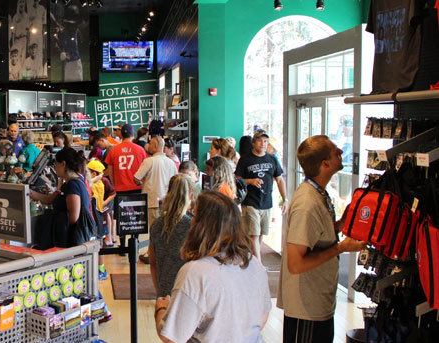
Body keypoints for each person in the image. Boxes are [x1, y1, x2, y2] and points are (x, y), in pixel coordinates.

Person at [278, 135, 367, 343]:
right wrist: (341, 248)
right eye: (336, 151)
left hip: (318, 301)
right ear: (325, 163)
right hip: (306, 307)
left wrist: (340, 225)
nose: (342, 153)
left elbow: (316, 236)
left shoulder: (318, 194)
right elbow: (296, 263)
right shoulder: (307, 205)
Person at [154, 191, 270, 343]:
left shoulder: (195, 273)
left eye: (194, 215)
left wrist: (160, 309)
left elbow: (171, 337)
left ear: (201, 226)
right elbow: (262, 318)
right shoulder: (254, 264)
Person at [235, 131, 287, 259]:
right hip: (250, 201)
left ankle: (252, 258)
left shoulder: (272, 159)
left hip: (266, 201)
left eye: (265, 141)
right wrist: (250, 181)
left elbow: (280, 179)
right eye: (260, 141)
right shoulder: (245, 159)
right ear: (254, 143)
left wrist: (285, 199)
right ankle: (258, 263)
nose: (263, 144)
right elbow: (237, 180)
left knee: (260, 233)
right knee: (254, 234)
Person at [29, 147, 93, 247]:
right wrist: (30, 193)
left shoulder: (73, 185)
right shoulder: (70, 183)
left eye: (56, 165)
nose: (55, 168)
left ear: (63, 164)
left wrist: (51, 218)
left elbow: (73, 217)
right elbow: (50, 199)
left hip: (71, 241)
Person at [148, 174, 195, 297]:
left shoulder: (156, 225)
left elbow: (153, 263)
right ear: (191, 196)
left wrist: (160, 291)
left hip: (164, 291)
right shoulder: (193, 226)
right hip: (188, 291)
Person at [134, 137, 178, 264]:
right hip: (167, 202)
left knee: (154, 230)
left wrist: (143, 183)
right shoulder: (171, 163)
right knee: (165, 228)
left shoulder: (149, 161)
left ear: (154, 146)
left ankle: (152, 254)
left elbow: (136, 178)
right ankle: (161, 253)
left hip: (152, 200)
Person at [104, 124, 148, 194]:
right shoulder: (140, 150)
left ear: (121, 134)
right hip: (137, 187)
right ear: (133, 134)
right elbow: (146, 169)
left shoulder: (113, 150)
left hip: (120, 188)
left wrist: (115, 185)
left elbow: (110, 172)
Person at [88, 160, 115, 247]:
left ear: (93, 174)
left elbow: (113, 192)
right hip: (96, 208)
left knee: (106, 219)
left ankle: (109, 238)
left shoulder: (103, 181)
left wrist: (105, 202)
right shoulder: (94, 181)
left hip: (103, 205)